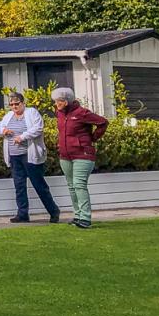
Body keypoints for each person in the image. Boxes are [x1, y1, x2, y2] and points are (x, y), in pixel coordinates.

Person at [0, 91, 61, 224]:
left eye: (17, 104)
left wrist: (22, 137)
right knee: (19, 186)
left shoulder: (32, 113)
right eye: (11, 104)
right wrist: (3, 131)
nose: (14, 107)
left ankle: (53, 211)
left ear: (23, 103)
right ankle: (22, 213)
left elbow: (38, 128)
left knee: (39, 185)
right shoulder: (9, 116)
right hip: (14, 156)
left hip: (29, 155)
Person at [53, 86, 109, 229]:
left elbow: (103, 122)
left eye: (58, 101)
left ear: (66, 101)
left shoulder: (82, 113)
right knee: (72, 186)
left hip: (82, 154)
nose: (56, 104)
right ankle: (78, 215)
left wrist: (92, 138)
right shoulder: (59, 113)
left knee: (79, 184)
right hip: (65, 155)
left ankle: (85, 217)